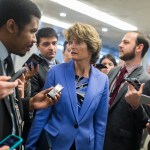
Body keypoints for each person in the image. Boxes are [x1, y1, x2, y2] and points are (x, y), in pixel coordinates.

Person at [25, 22, 109, 150]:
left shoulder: (102, 80)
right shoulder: (56, 72)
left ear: (92, 47)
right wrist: (30, 146)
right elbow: (43, 112)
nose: (71, 47)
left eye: (78, 42)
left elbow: (100, 123)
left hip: (85, 144)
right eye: (70, 42)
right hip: (55, 141)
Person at [0, 0, 60, 143]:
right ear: (12, 26)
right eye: (32, 32)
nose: (34, 40)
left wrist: (30, 103)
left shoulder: (6, 62)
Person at [103, 31, 150, 150]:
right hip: (100, 138)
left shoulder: (146, 80)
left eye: (126, 42)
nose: (120, 45)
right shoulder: (114, 71)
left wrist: (135, 105)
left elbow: (144, 122)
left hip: (121, 145)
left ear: (139, 47)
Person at [23, 27, 59, 142]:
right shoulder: (33, 66)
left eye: (54, 43)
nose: (51, 47)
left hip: (56, 124)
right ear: (38, 46)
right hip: (38, 124)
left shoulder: (60, 66)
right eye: (46, 44)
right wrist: (56, 90)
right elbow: (32, 98)